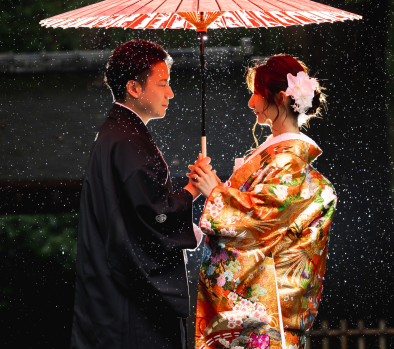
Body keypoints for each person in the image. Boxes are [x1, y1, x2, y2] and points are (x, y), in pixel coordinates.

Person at [188, 54, 337, 349]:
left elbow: (260, 221)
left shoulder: (288, 160)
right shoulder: (277, 157)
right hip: (259, 310)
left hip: (266, 308)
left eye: (256, 94)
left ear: (280, 98)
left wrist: (216, 191)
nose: (250, 102)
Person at [71, 40, 202, 349]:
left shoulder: (116, 133)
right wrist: (193, 190)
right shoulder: (129, 141)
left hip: (107, 289)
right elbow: (154, 215)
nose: (170, 93)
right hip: (129, 299)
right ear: (133, 87)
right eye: (162, 84)